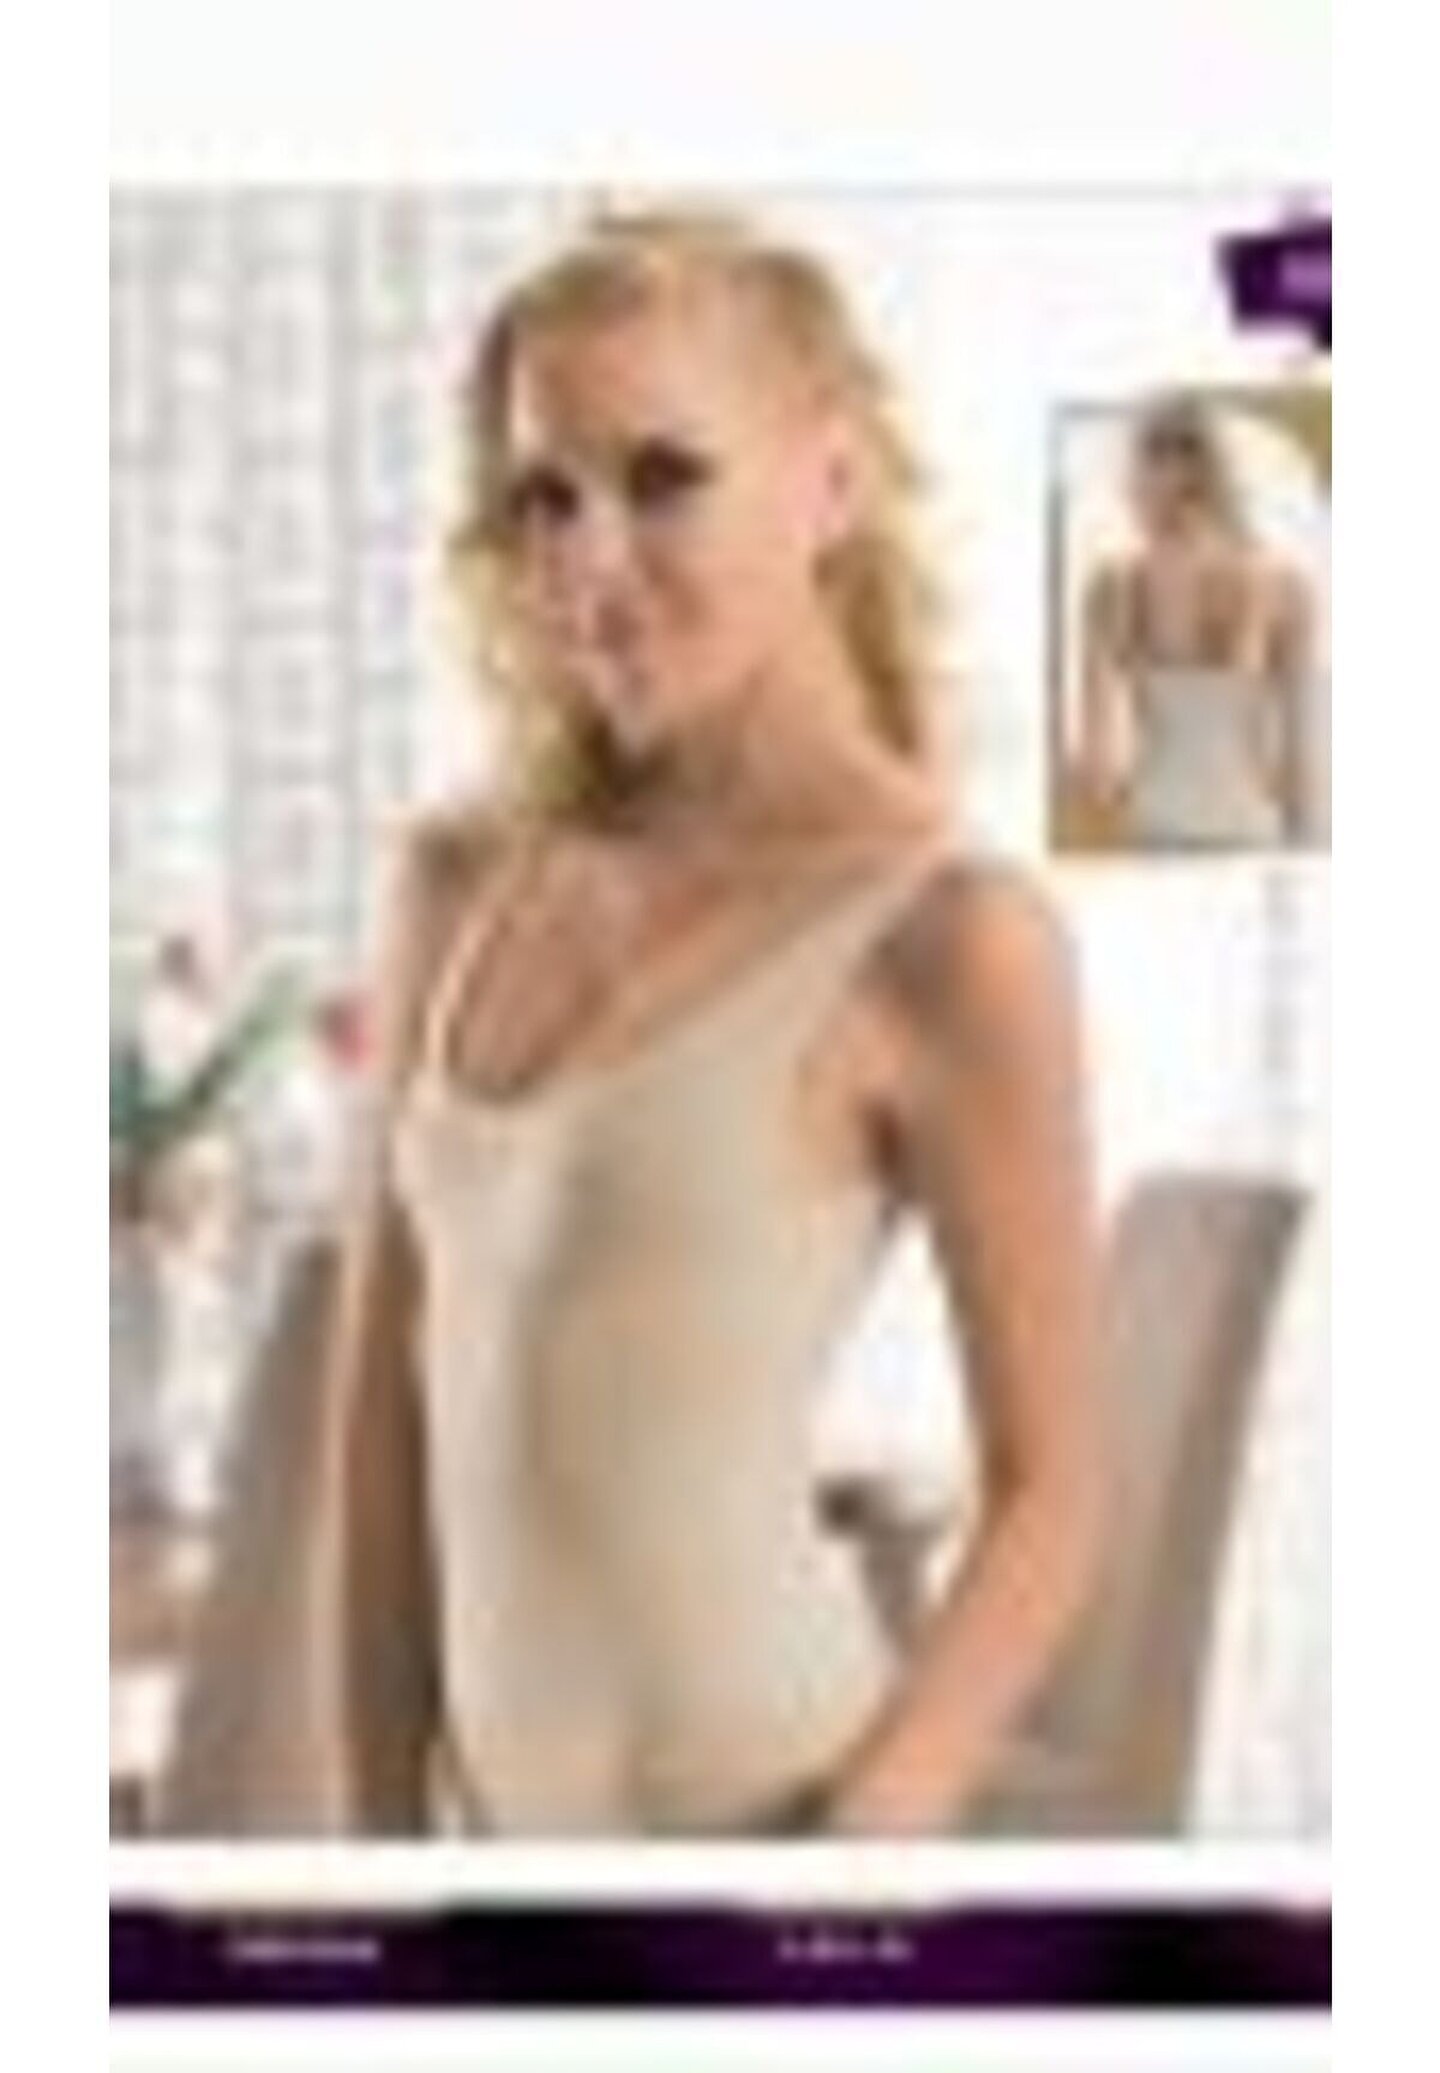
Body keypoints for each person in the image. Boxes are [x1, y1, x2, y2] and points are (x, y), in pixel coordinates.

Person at [310, 205, 1106, 1838]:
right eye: (545, 497)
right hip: (493, 1870)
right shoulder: (457, 884)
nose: (585, 563)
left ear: (832, 485)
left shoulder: (951, 938)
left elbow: (1053, 1494)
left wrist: (856, 1853)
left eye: (663, 478)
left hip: (778, 1829)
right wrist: (380, 1873)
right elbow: (378, 1428)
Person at [1072, 394, 1320, 848]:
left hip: (1157, 819)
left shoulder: (1111, 587)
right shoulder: (1285, 587)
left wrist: (1122, 791)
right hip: (1250, 823)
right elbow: (1301, 757)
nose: (1128, 487)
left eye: (1135, 470)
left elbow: (1096, 775)